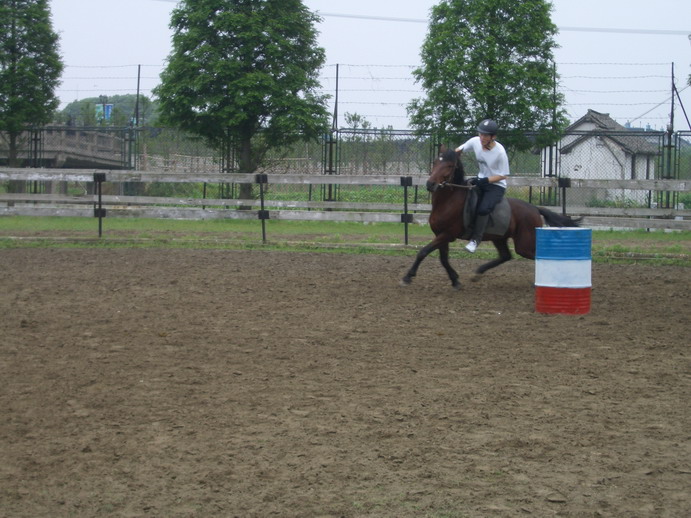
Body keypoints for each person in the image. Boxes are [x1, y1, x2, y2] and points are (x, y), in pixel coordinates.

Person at [455, 119, 510, 253]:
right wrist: (452, 156)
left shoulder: (500, 152)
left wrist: (485, 181)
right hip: (480, 179)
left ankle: (475, 240)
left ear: (493, 137)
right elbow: (459, 149)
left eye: (485, 135)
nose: (482, 137)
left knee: (483, 209)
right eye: (480, 134)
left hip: (496, 185)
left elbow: (503, 175)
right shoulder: (475, 141)